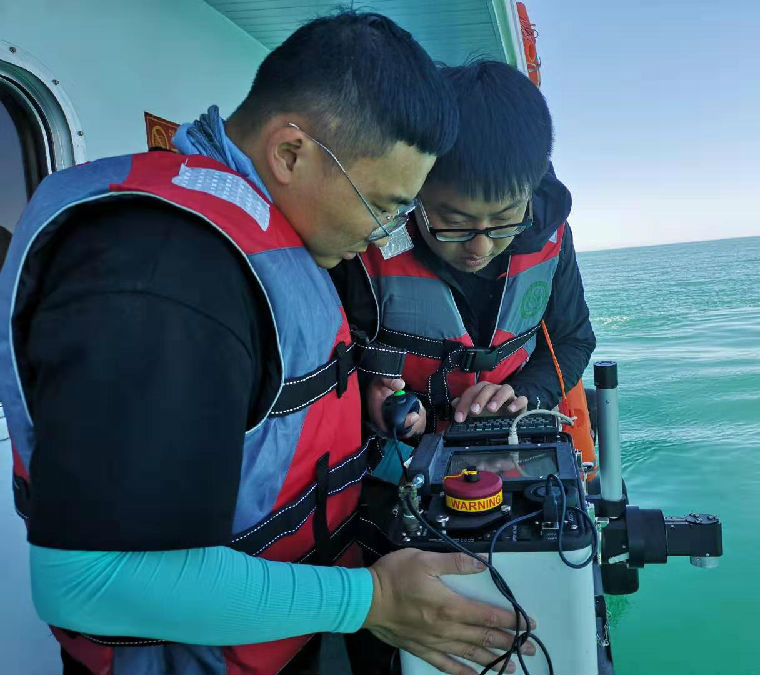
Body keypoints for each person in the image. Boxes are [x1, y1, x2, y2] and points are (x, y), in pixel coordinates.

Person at [0, 15, 533, 675]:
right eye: (382, 204)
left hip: (275, 632)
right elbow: (90, 582)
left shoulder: (266, 229)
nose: (383, 235)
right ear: (290, 153)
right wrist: (371, 600)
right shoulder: (164, 270)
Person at [337, 60, 596, 438]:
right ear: (417, 190)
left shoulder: (553, 235)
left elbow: (572, 339)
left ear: (531, 192)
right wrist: (373, 399)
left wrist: (525, 394)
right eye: (455, 221)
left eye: (505, 218)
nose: (480, 246)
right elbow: (334, 359)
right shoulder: (364, 244)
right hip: (402, 447)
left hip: (511, 437)